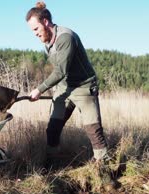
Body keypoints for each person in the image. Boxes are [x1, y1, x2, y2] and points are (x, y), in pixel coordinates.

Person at [26, 2, 111, 174]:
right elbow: (62, 75)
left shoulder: (65, 37)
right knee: (53, 128)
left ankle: (103, 169)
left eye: (36, 29)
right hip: (64, 88)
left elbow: (60, 71)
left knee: (93, 130)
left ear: (46, 22)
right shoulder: (47, 40)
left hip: (84, 87)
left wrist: (39, 89)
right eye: (32, 31)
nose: (35, 34)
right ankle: (53, 163)